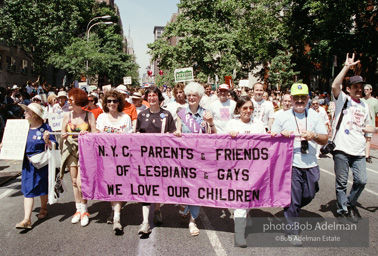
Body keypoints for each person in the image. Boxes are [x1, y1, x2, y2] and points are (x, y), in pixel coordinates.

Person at [271, 83, 328, 246]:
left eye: (303, 97)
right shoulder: (281, 116)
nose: (300, 100)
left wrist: (314, 135)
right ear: (292, 98)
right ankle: (292, 231)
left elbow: (325, 139)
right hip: (291, 163)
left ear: (308, 98)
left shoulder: (315, 116)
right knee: (294, 198)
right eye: (297, 97)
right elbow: (272, 138)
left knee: (309, 194)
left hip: (310, 163)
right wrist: (282, 136)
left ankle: (289, 207)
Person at [331, 53, 377, 224]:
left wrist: (375, 128)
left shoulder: (365, 106)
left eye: (361, 87)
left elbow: (367, 127)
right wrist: (346, 67)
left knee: (362, 180)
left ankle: (349, 204)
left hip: (358, 150)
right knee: (341, 182)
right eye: (355, 86)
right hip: (341, 148)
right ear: (348, 89)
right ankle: (342, 210)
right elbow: (335, 84)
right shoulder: (342, 99)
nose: (359, 89)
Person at [173, 82, 216, 236]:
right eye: (189, 95)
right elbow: (177, 130)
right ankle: (183, 203)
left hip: (200, 158)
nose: (191, 98)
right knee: (184, 187)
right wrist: (177, 132)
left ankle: (193, 221)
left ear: (200, 97)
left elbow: (214, 135)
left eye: (194, 95)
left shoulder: (206, 113)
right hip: (184, 158)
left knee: (197, 189)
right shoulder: (181, 113)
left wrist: (210, 123)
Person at [224, 96, 266, 247]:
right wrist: (229, 136)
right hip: (235, 169)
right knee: (236, 203)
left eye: (250, 108)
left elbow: (266, 143)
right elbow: (220, 145)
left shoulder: (259, 125)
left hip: (254, 168)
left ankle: (242, 226)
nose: (248, 111)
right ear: (238, 110)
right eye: (245, 108)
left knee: (245, 200)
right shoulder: (231, 124)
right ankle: (241, 226)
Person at [135, 86, 176, 235]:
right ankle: (145, 221)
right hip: (145, 159)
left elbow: (172, 135)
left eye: (155, 95)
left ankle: (157, 211)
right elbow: (136, 135)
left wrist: (176, 134)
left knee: (158, 186)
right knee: (146, 188)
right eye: (149, 95)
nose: (152, 98)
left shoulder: (167, 114)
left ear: (159, 98)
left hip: (161, 158)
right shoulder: (141, 115)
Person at [14, 103, 57, 229]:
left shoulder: (45, 127)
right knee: (28, 189)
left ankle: (43, 208)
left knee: (42, 186)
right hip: (28, 164)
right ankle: (26, 219)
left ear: (35, 115)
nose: (25, 112)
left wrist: (47, 141)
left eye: (28, 111)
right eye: (26, 110)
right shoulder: (23, 127)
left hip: (41, 163)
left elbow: (54, 146)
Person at [96, 89, 132, 234]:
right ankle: (114, 210)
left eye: (115, 101)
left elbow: (130, 138)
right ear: (105, 103)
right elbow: (96, 135)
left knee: (118, 185)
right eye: (109, 101)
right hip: (106, 158)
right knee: (111, 186)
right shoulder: (101, 118)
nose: (112, 103)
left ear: (119, 102)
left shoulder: (126, 118)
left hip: (121, 158)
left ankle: (116, 217)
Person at [60, 88, 96, 227]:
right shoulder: (66, 115)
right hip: (70, 150)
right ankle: (78, 210)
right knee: (74, 181)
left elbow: (94, 133)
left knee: (82, 182)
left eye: (71, 100)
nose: (68, 102)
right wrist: (64, 134)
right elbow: (63, 131)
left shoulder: (89, 115)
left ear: (78, 101)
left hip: (84, 150)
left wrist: (87, 134)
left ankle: (85, 209)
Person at [362, 84, 378, 163]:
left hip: (370, 123)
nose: (365, 91)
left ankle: (367, 156)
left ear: (371, 90)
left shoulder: (375, 101)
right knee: (361, 139)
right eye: (364, 89)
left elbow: (376, 112)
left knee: (368, 139)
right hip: (361, 123)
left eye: (367, 89)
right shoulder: (361, 100)